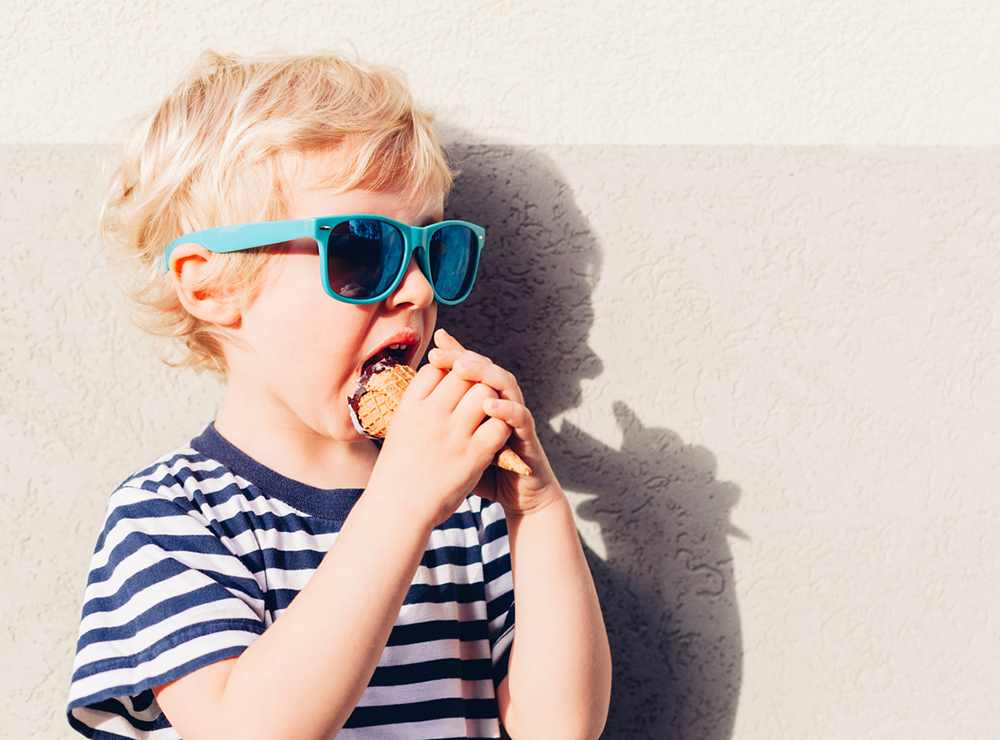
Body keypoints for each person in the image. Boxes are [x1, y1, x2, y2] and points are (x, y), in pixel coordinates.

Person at [66, 51, 611, 740]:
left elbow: (560, 729)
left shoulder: (469, 514)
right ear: (212, 286)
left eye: (433, 252)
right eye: (362, 252)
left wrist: (539, 509)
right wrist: (404, 503)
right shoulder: (170, 519)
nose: (416, 290)